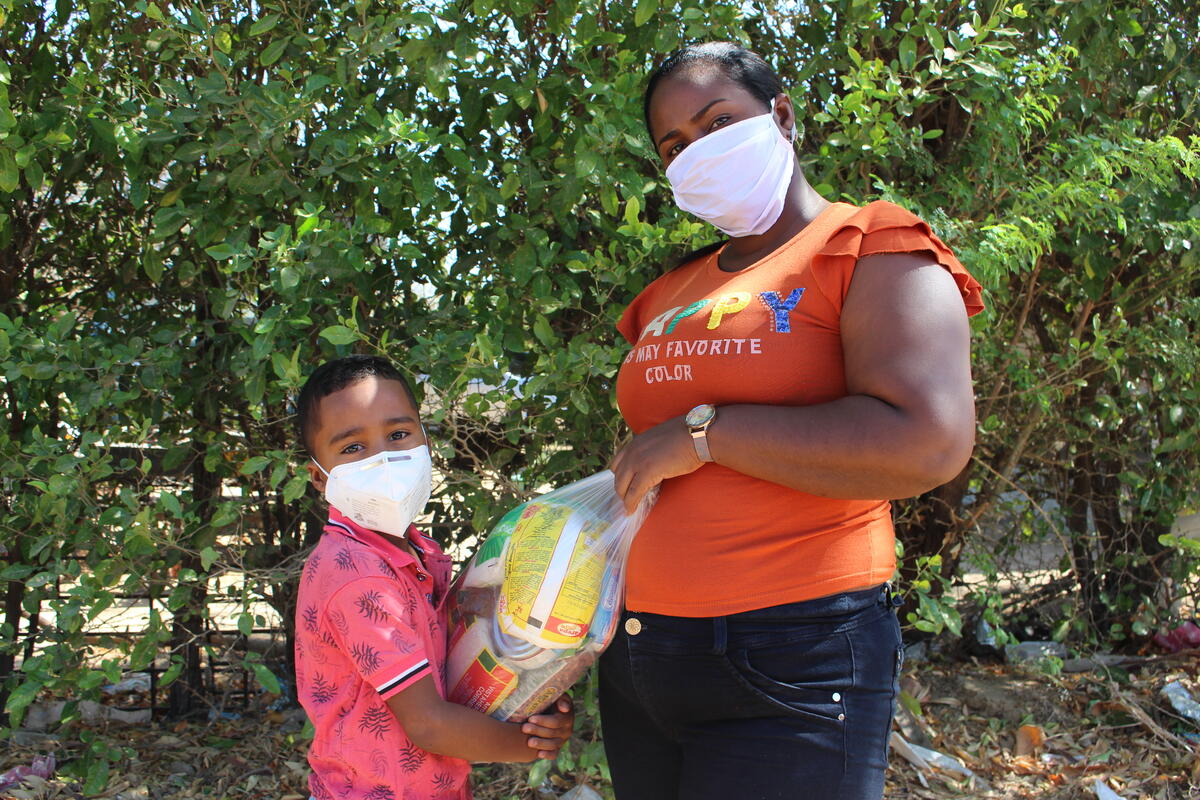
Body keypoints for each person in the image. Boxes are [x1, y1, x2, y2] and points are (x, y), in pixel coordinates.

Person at [604, 42, 985, 800]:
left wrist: (706, 436)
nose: (697, 151)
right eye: (674, 145)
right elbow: (648, 451)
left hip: (793, 652)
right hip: (641, 655)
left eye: (718, 122)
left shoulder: (869, 245)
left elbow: (928, 441)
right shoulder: (669, 291)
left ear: (781, 116)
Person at [293, 354, 575, 800]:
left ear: (426, 442)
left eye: (398, 435)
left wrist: (536, 705)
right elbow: (428, 723)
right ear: (319, 477)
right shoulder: (357, 575)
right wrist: (529, 745)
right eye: (352, 448)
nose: (384, 459)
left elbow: (455, 660)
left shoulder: (413, 552)